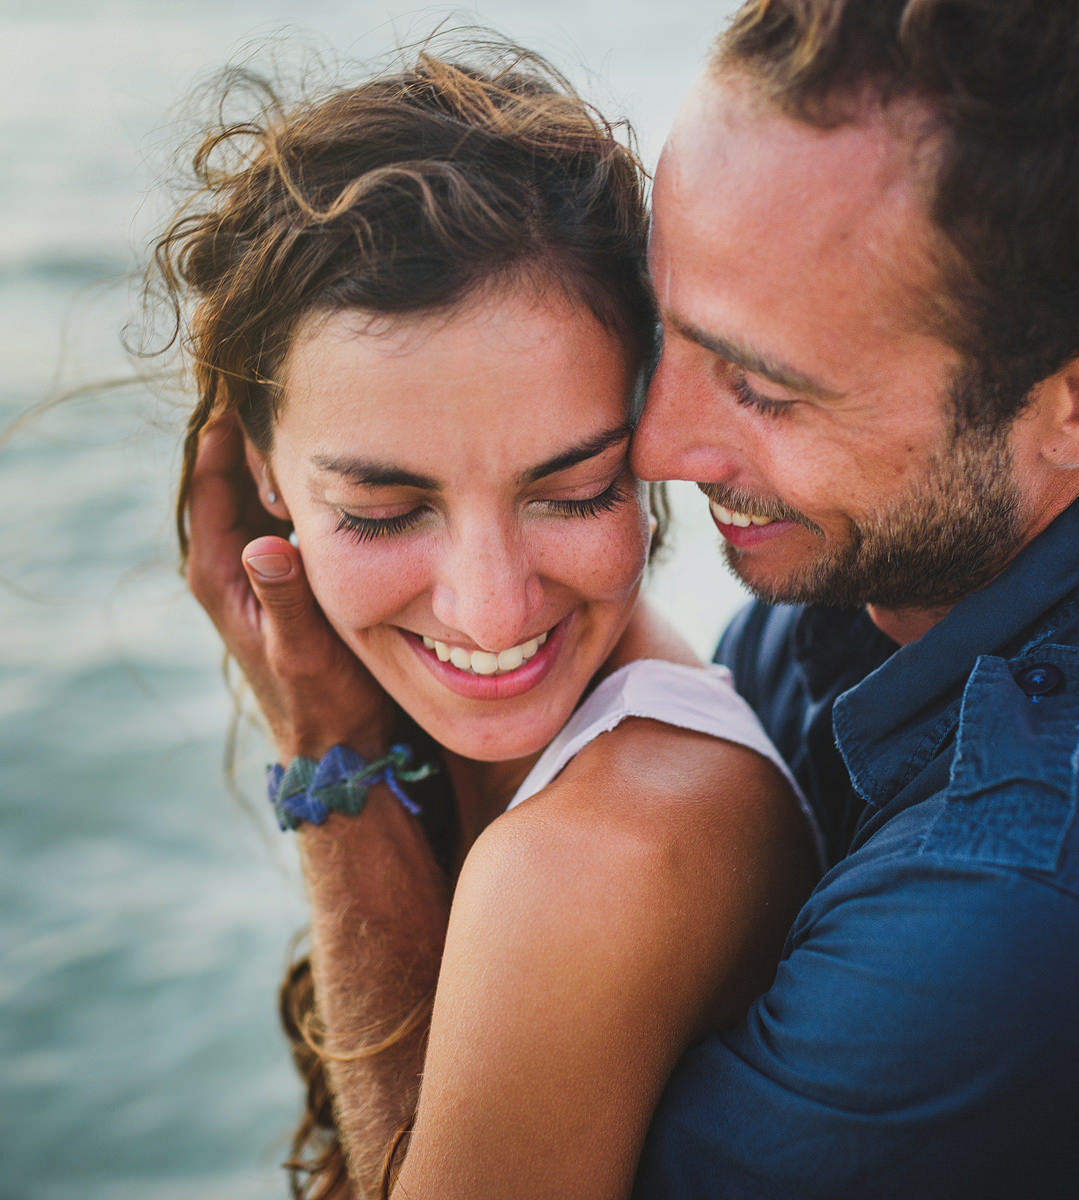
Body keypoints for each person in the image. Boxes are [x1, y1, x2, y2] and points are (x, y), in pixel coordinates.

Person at [186, 2, 1079, 1198]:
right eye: (673, 336)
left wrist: (331, 764)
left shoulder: (1019, 928)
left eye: (764, 387)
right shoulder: (882, 579)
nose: (656, 447)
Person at [163, 45, 819, 1200]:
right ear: (262, 471)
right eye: (382, 511)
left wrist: (327, 756)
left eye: (574, 493)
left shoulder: (602, 852)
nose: (490, 606)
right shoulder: (549, 762)